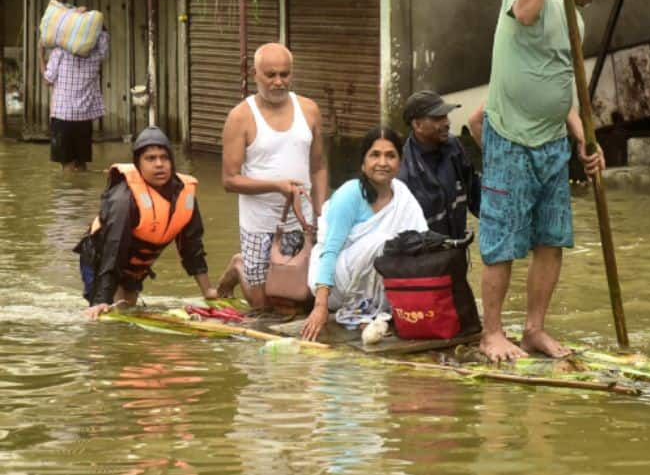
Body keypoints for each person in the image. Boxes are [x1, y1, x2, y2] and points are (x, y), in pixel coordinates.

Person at [476, 0, 609, 362]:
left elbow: (563, 87)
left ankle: (534, 330)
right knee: (502, 238)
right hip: (511, 135)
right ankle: (491, 334)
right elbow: (525, 13)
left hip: (553, 142)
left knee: (551, 239)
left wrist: (584, 138)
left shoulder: (577, 19)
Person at [219, 43, 329, 310]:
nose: (279, 82)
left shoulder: (309, 110)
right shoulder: (240, 117)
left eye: (285, 74)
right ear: (255, 75)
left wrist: (320, 212)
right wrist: (276, 186)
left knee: (294, 297)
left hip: (299, 218)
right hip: (259, 222)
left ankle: (251, 269)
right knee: (261, 306)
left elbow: (318, 166)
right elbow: (229, 180)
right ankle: (239, 265)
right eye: (270, 75)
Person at [75, 126, 218, 319]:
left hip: (136, 266)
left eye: (164, 158)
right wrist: (101, 300)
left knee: (129, 309)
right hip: (102, 260)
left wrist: (208, 291)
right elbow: (113, 248)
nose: (159, 164)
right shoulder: (124, 199)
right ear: (138, 164)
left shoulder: (185, 195)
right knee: (112, 315)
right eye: (150, 159)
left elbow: (192, 248)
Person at [302, 127, 428, 341]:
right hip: (336, 284)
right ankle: (357, 314)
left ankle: (384, 309)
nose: (382, 162)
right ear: (363, 162)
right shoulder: (350, 194)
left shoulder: (403, 195)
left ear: (399, 162)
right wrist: (321, 306)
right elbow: (330, 251)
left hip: (380, 283)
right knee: (383, 242)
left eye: (390, 156)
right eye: (375, 155)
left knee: (410, 245)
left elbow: (422, 242)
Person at [397, 90, 481, 239]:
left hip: (456, 253)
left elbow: (476, 193)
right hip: (424, 259)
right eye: (438, 118)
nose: (447, 123)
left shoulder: (454, 147)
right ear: (417, 125)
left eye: (446, 116)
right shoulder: (404, 173)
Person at [40, 6, 108, 172]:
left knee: (67, 168)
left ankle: (70, 197)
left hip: (63, 117)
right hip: (84, 118)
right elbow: (104, 38)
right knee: (81, 164)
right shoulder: (97, 56)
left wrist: (40, 55)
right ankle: (81, 197)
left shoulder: (60, 52)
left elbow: (48, 80)